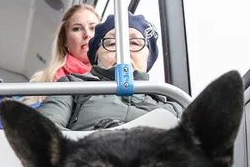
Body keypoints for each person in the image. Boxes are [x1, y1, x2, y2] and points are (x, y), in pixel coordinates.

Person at [35, 13, 183, 131]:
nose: (123, 51)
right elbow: (45, 131)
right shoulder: (73, 87)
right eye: (112, 44)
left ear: (148, 56)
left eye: (134, 43)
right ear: (96, 56)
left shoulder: (173, 104)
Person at [24, 3, 99, 103]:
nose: (87, 34)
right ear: (65, 41)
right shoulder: (42, 79)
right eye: (77, 28)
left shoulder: (116, 81)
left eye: (93, 28)